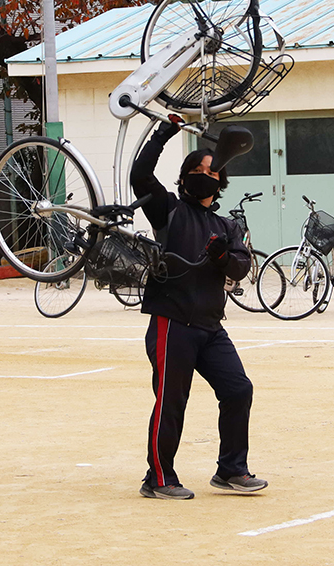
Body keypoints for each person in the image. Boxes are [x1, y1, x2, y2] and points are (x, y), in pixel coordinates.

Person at [129, 119, 265, 501]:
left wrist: (223, 255)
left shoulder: (227, 225)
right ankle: (157, 478)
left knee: (238, 390)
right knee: (172, 400)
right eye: (197, 171)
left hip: (210, 326)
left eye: (212, 171)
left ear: (222, 181)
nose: (205, 176)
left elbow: (240, 267)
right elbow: (141, 173)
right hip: (172, 322)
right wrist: (164, 132)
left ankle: (231, 471)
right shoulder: (168, 211)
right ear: (184, 179)